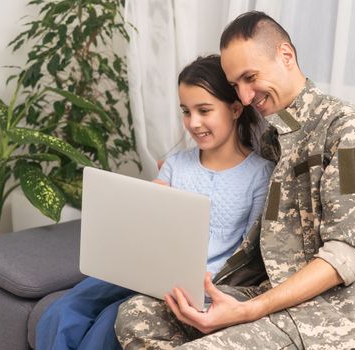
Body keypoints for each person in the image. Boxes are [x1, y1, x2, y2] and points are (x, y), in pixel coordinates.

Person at [116, 11, 355, 350]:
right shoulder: (275, 135)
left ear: (286, 55)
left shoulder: (353, 134)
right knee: (137, 312)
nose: (244, 97)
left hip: (340, 306)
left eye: (250, 77)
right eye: (234, 86)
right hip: (273, 287)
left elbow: (346, 256)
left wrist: (247, 311)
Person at [35, 54, 274, 350]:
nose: (193, 123)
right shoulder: (176, 165)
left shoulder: (260, 175)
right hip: (142, 269)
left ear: (235, 109)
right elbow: (148, 228)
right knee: (60, 311)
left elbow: (247, 254)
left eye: (204, 110)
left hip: (193, 286)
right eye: (186, 112)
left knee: (110, 322)